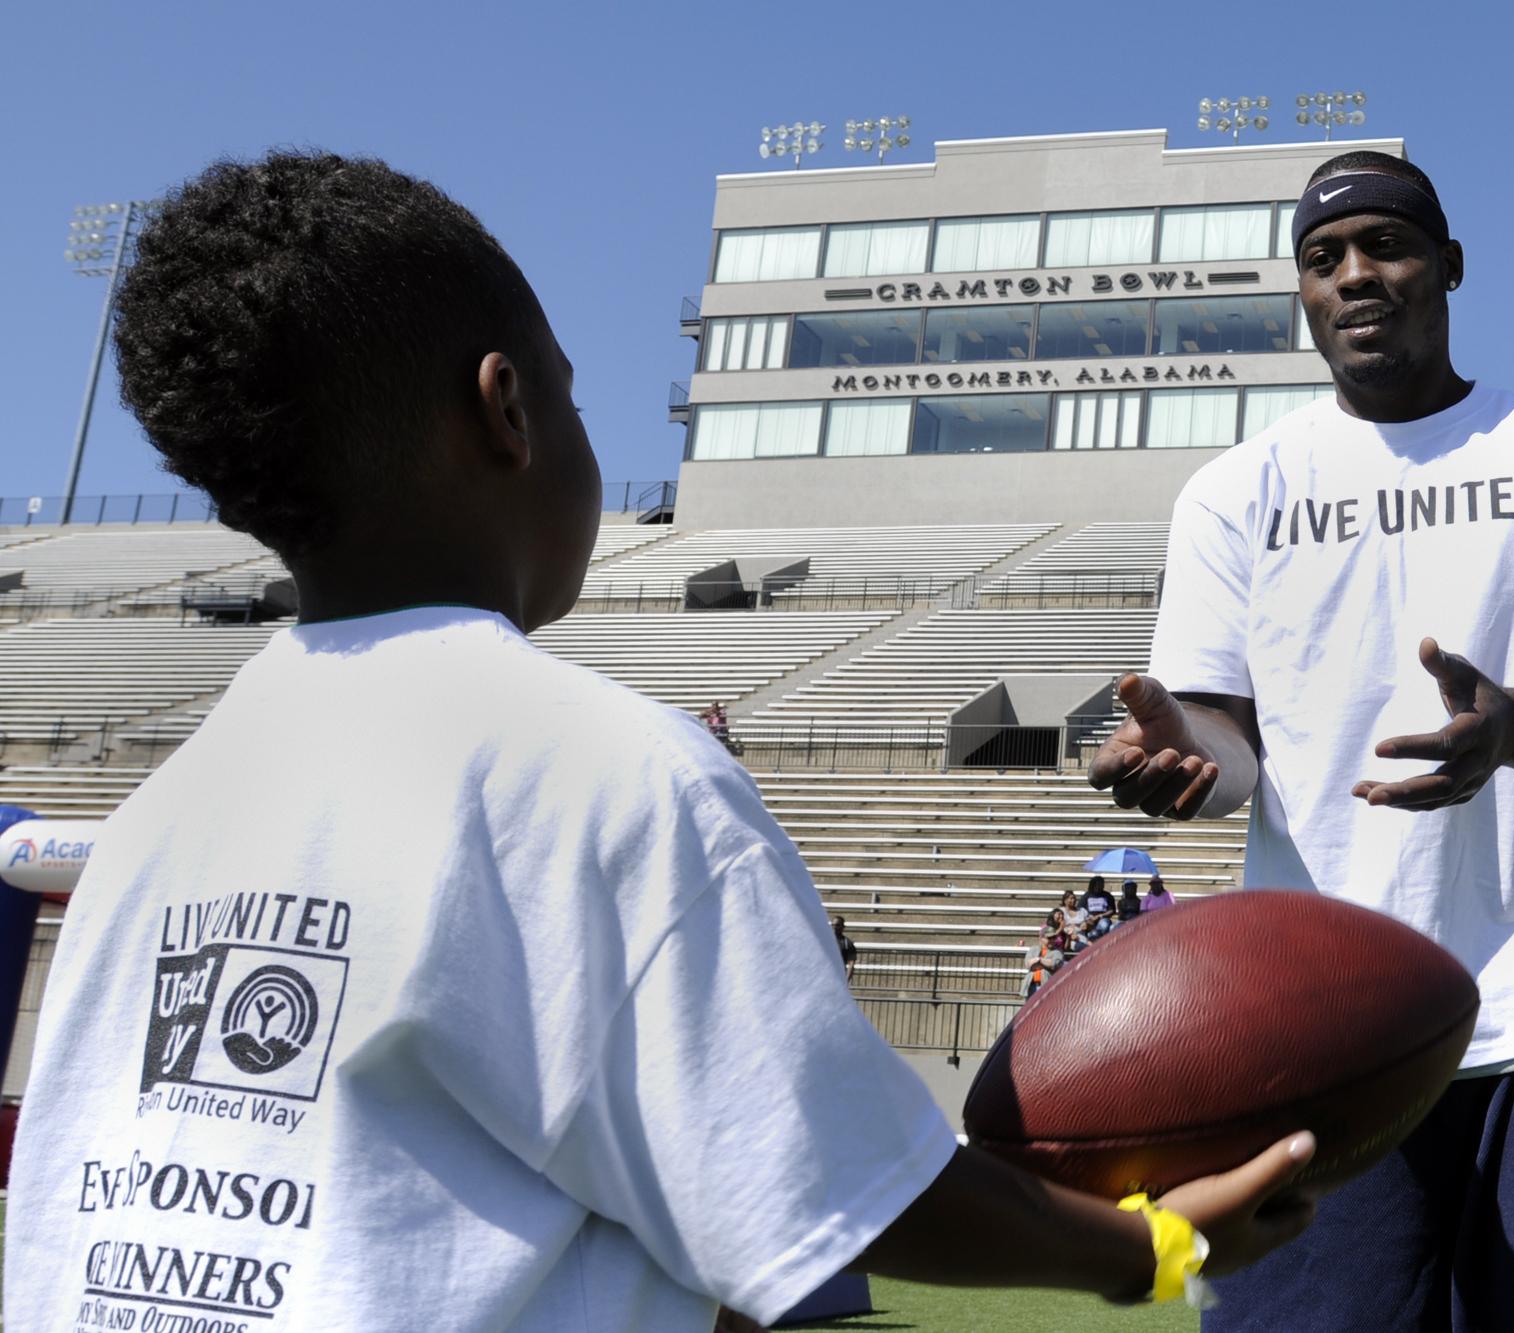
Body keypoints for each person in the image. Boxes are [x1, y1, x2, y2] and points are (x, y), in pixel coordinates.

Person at [3, 151, 1319, 1329]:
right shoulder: (598, 769)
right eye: (575, 401)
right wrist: (1144, 1247)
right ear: (505, 409)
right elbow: (829, 1182)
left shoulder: (172, 803)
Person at [1091, 148, 1514, 1332]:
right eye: (1324, 260)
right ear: (1302, 295)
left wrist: (1512, 724)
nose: (1356, 276)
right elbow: (1234, 749)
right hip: (1321, 1020)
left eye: (1387, 246)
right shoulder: (1233, 490)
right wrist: (1183, 753)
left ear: (1448, 267)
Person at [1081, 874, 1117, 940]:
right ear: (1093, 885)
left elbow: (1112, 910)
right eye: (1098, 885)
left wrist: (1100, 915)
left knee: (1104, 924)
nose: (1100, 887)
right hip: (1089, 919)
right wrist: (1088, 917)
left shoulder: (1107, 896)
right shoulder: (1086, 896)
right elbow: (1080, 909)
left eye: (1102, 884)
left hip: (1102, 919)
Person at [832, 914, 858, 984]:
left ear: (843, 927)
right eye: (833, 925)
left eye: (837, 925)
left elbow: (851, 964)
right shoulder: (826, 940)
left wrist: (846, 981)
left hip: (838, 978)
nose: (834, 927)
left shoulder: (847, 943)